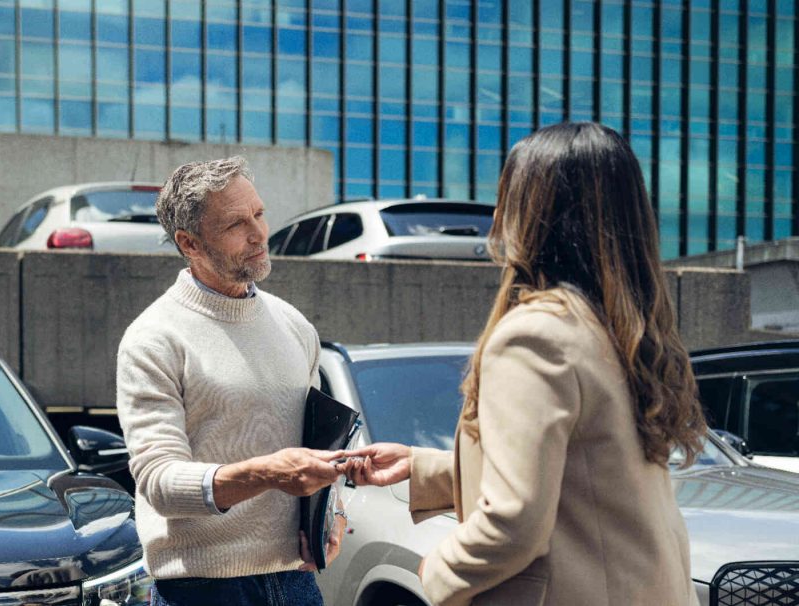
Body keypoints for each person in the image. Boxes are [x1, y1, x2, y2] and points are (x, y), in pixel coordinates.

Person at [340, 122, 706, 606]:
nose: (496, 213)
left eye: (508, 193)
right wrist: (422, 467)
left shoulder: (535, 334)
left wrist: (437, 570)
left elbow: (515, 520)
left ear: (535, 212)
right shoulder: (619, 329)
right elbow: (582, 470)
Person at [116, 156, 345, 606]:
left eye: (259, 213)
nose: (259, 233)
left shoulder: (294, 325)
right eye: (236, 224)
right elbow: (160, 482)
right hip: (200, 588)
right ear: (190, 244)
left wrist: (333, 512)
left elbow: (321, 444)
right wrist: (268, 472)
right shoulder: (153, 338)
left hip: (296, 582)